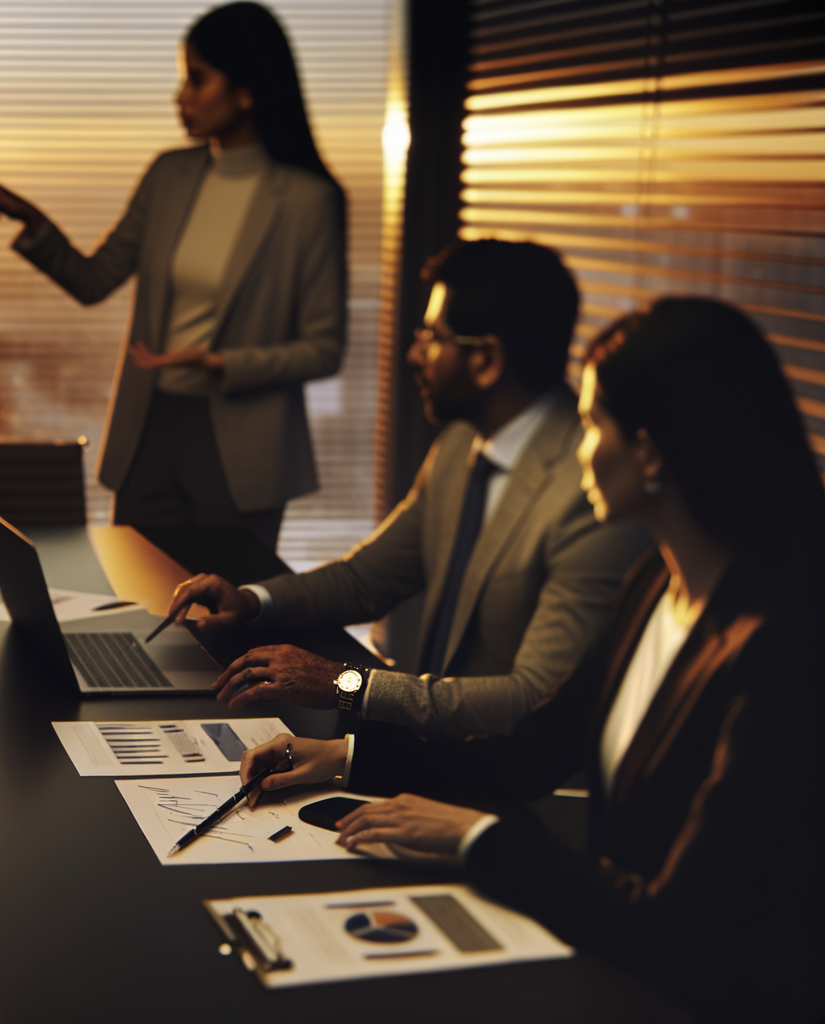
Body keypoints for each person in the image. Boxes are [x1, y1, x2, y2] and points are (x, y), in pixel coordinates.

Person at [231, 298, 825, 1021]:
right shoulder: (653, 585)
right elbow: (529, 753)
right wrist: (347, 757)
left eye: (593, 425)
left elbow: (681, 925)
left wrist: (477, 837)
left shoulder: (781, 649)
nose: (578, 449)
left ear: (650, 453)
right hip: (614, 969)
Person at [166, 240, 649, 738]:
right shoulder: (462, 442)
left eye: (432, 337)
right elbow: (367, 579)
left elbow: (532, 701)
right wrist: (252, 602)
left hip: (495, 770)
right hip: (425, 749)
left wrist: (344, 685)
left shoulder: (593, 494)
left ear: (486, 359)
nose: (413, 353)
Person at [0, 2, 344, 547]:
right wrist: (32, 221)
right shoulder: (169, 175)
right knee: (138, 590)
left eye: (197, 79)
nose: (180, 96)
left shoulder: (308, 201)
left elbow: (323, 349)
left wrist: (220, 363)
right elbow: (94, 281)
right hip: (151, 429)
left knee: (224, 598)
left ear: (246, 91)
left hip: (241, 447)